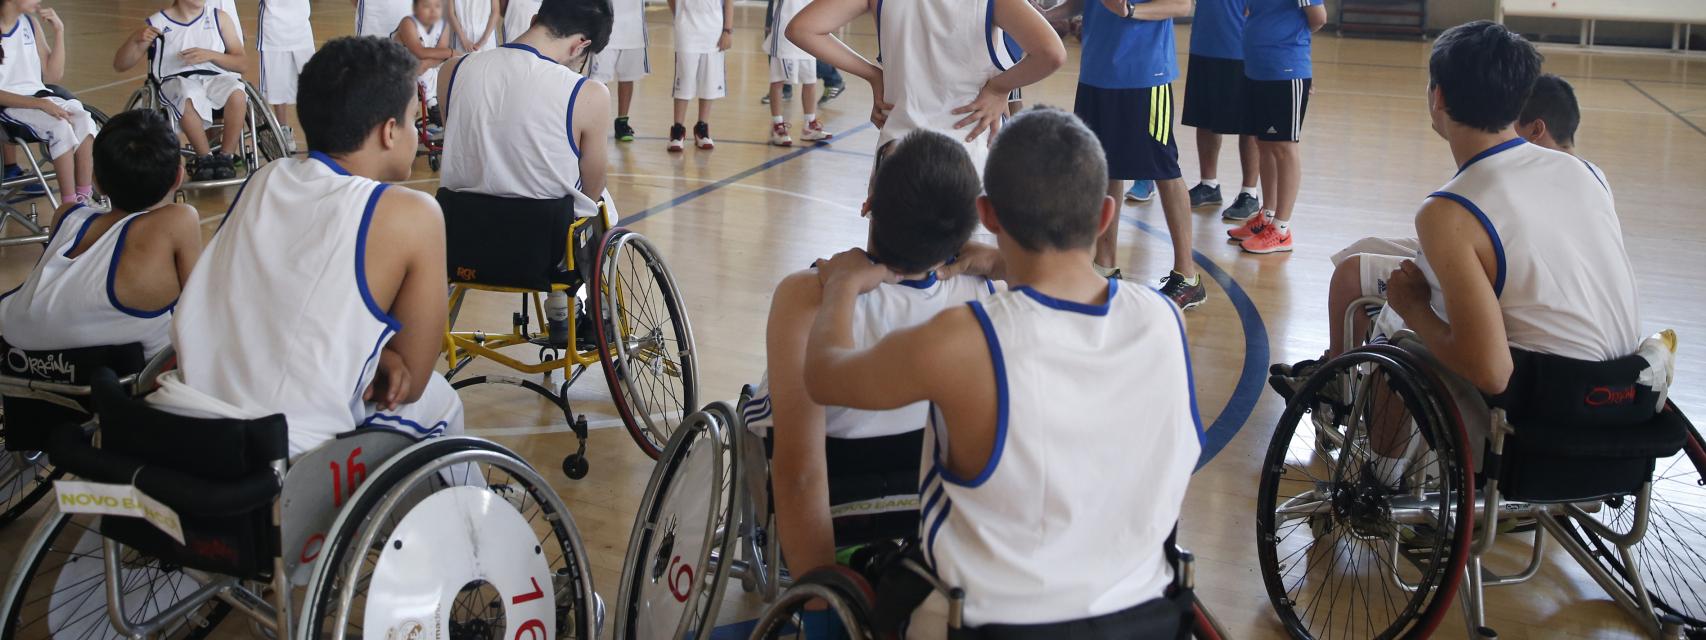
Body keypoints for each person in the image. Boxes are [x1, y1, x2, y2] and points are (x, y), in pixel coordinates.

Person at [803, 108, 1201, 633]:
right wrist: (998, 262)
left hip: (990, 623)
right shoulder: (1165, 319)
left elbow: (826, 375)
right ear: (1105, 216)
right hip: (1148, 616)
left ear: (988, 216)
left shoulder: (965, 338)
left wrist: (840, 288)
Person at [1292, 22, 1641, 481]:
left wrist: (1415, 309)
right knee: (1379, 269)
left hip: (1542, 413)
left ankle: (1376, 480)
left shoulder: (1449, 210)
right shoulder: (1587, 173)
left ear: (1437, 98)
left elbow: (1492, 371)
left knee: (1396, 340)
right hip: (1626, 395)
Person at [150, 36, 463, 458]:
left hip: (179, 414)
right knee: (439, 401)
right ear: (390, 131)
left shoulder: (265, 178)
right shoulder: (413, 213)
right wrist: (386, 360)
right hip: (278, 447)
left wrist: (374, 357)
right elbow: (412, 380)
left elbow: (281, 297)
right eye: (411, 118)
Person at [748, 129, 997, 581]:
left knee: (751, 409)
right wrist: (998, 261)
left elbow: (800, 475)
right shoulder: (988, 293)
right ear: (969, 227)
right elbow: (1065, 281)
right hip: (935, 513)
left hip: (832, 517)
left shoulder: (809, 294)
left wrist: (824, 602)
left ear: (868, 204)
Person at [1274, 70, 1603, 387]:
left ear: (1535, 129)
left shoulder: (1543, 174)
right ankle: (1337, 362)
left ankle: (1338, 383)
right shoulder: (1587, 175)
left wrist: (1417, 307)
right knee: (1365, 246)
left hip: (1524, 314)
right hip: (1516, 269)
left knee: (1354, 274)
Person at [437, 0, 611, 339]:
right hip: (542, 250)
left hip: (461, 241)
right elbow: (591, 189)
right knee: (599, 202)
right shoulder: (587, 92)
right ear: (581, 45)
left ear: (534, 19)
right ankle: (580, 305)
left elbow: (461, 146)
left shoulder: (452, 70)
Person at [0, 109, 200, 361]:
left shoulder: (66, 215)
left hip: (20, 365)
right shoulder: (178, 220)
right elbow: (198, 307)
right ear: (178, 177)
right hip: (107, 378)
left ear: (96, 182)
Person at [1045, 0, 1203, 309]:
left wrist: (1131, 11)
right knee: (1103, 167)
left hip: (1145, 75)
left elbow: (1183, 5)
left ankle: (1188, 276)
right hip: (1096, 73)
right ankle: (1105, 267)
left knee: (1163, 169)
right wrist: (1052, 15)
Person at [787, 0, 1065, 168]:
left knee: (890, 263)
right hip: (970, 154)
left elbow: (802, 29)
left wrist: (874, 74)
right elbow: (1051, 53)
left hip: (898, 152)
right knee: (970, 262)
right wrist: (998, 88)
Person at [1225, 0, 1326, 254]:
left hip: (1286, 68)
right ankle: (1267, 217)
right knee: (1264, 143)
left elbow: (1318, 17)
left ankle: (1281, 229)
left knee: (1283, 147)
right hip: (1257, 69)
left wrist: (1286, 41)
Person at [114, 0, 247, 181]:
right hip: (176, 80)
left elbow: (242, 64)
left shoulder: (219, 17)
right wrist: (135, 40)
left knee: (238, 93)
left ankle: (226, 157)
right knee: (186, 95)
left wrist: (211, 55)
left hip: (214, 77)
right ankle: (204, 158)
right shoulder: (157, 23)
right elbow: (121, 65)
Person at [0, 0, 96, 205]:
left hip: (38, 96)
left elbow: (52, 75)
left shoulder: (30, 23)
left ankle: (84, 198)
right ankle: (69, 205)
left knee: (84, 119)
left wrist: (59, 31)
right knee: (59, 126)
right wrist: (41, 105)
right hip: (9, 106)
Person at [1180, 0, 1261, 221]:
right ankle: (1209, 185)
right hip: (1204, 45)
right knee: (1204, 119)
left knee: (1249, 125)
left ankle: (1249, 193)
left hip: (1242, 48)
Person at [763, 0, 831, 146]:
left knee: (810, 81)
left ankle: (809, 125)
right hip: (784, 31)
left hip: (808, 32)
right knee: (778, 80)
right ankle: (777, 126)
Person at [666, 0, 730, 151]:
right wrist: (680, 15)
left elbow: (728, 2)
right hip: (687, 30)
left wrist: (727, 30)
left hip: (713, 31)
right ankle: (677, 130)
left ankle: (702, 128)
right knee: (684, 81)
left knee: (709, 82)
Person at [587, 0, 646, 142]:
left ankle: (622, 123)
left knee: (627, 77)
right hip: (605, 25)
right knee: (598, 81)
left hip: (633, 29)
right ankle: (594, 123)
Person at [258, 0, 315, 147]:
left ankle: (315, 129)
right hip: (274, 27)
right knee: (277, 81)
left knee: (313, 81)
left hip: (301, 26)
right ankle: (283, 128)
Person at [395, 0, 453, 118]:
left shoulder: (443, 25)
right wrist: (451, 52)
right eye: (427, 6)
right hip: (401, 70)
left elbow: (441, 54)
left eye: (437, 6)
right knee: (418, 63)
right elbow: (419, 52)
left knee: (451, 65)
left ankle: (440, 100)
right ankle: (432, 101)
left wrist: (429, 63)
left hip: (426, 66)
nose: (433, 10)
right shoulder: (408, 23)